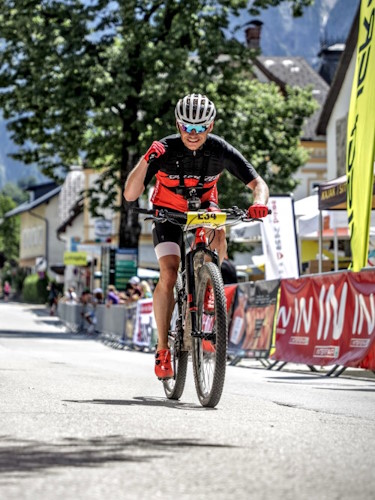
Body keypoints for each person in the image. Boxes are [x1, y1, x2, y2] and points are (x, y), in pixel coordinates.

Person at [124, 93, 269, 380]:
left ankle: (208, 284)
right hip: (168, 213)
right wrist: (145, 160)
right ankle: (163, 349)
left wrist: (259, 202)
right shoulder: (164, 149)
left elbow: (258, 183)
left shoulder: (219, 149)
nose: (193, 134)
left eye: (200, 128)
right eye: (186, 127)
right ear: (178, 125)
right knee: (168, 272)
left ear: (210, 126)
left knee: (219, 228)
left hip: (204, 208)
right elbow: (130, 193)